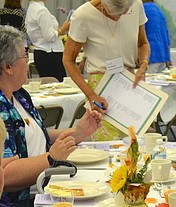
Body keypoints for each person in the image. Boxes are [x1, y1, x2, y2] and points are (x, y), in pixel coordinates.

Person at [0, 25, 103, 207]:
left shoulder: (16, 93)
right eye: (24, 56)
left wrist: (78, 132)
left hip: (43, 186)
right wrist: (51, 158)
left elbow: (33, 137)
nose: (27, 61)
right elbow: (3, 174)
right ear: (7, 67)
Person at [63, 0, 150, 140]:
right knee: (106, 144)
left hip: (129, 84)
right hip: (100, 90)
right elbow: (68, 60)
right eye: (117, 13)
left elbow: (142, 43)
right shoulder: (83, 16)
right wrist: (91, 95)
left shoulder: (135, 4)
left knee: (133, 143)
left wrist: (143, 64)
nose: (122, 15)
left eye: (127, 10)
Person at [26, 0, 68, 81]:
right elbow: (49, 36)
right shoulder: (41, 10)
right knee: (58, 83)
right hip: (50, 54)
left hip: (40, 52)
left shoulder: (32, 8)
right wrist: (62, 29)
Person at [142, 0, 171, 73]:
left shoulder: (142, 10)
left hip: (150, 58)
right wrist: (168, 58)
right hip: (163, 58)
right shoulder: (160, 12)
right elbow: (167, 39)